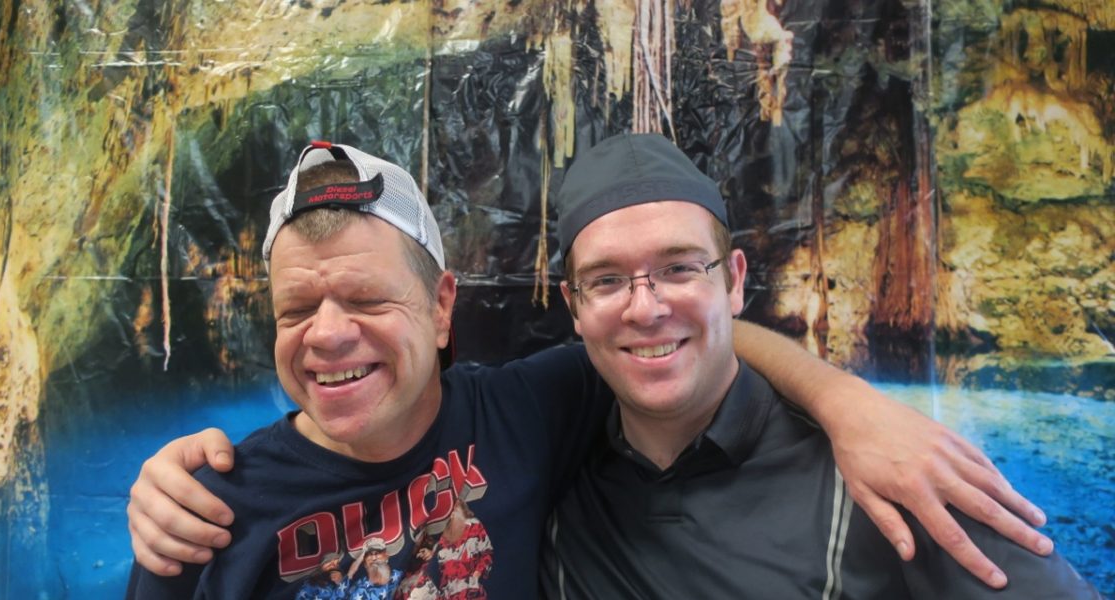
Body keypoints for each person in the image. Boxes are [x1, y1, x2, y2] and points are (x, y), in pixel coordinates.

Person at [125, 140, 1052, 599]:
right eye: (296, 311)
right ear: (576, 304)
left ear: (442, 308)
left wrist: (850, 403)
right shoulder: (206, 509)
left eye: (367, 301)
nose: (328, 336)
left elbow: (687, 341)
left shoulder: (532, 408)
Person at [537, 133, 1099, 598]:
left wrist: (842, 399)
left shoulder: (886, 471)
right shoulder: (547, 470)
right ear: (574, 306)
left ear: (734, 281)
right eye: (606, 280)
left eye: (679, 268)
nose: (645, 308)